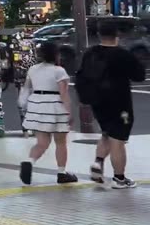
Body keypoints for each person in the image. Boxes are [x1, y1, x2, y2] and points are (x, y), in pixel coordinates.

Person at [79, 20, 146, 188]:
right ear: (117, 35)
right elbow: (139, 76)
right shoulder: (122, 54)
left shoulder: (90, 53)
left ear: (99, 35)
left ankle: (98, 163)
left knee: (107, 133)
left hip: (97, 102)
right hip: (120, 103)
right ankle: (119, 179)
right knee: (118, 141)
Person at [19, 41, 77, 185]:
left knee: (42, 143)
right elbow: (63, 94)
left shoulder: (33, 69)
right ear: (56, 54)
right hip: (55, 106)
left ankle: (29, 162)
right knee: (61, 142)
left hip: (37, 105)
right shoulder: (59, 71)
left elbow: (26, 88)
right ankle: (61, 173)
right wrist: (69, 112)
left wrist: (23, 104)